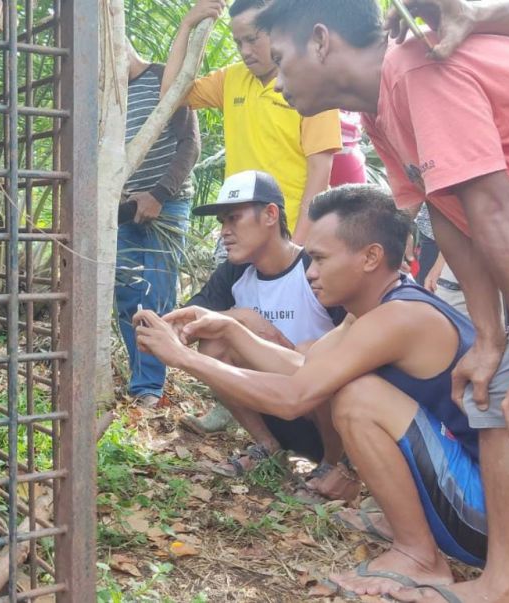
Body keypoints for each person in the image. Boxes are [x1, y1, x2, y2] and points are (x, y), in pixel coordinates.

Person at [254, 2, 509, 600]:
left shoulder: (416, 73)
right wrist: (491, 336)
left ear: (321, 42)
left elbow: (493, 204)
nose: (276, 79)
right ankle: (499, 580)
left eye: (281, 59)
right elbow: (454, 219)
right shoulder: (379, 114)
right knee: (495, 390)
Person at [135, 186, 486, 598]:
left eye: (320, 258)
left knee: (358, 397)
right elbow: (306, 368)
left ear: (371, 257)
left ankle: (418, 555)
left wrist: (185, 358)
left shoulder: (400, 318)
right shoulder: (375, 310)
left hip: (485, 518)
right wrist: (229, 327)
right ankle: (410, 534)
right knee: (348, 388)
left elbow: (295, 397)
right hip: (471, 503)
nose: (310, 271)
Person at [163, 0, 342, 431]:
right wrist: (188, 24)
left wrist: (301, 241)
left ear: (277, 34)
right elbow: (172, 93)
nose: (244, 49)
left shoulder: (307, 85)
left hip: (293, 234)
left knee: (307, 340)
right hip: (245, 228)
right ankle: (249, 415)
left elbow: (321, 166)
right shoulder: (231, 81)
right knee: (226, 319)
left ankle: (330, 444)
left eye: (253, 38)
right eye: (237, 40)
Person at [180, 170, 355, 502]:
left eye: (233, 219)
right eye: (222, 222)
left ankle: (334, 466)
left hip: (327, 421)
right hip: (273, 412)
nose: (224, 232)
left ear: (271, 215)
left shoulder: (313, 269)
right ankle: (267, 445)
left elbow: (357, 343)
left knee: (314, 354)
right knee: (214, 340)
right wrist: (242, 318)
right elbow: (185, 324)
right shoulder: (235, 272)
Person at [115, 39, 200, 408]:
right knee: (124, 294)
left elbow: (190, 145)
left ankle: (148, 388)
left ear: (122, 46)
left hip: (167, 206)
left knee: (155, 295)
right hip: (126, 209)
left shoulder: (163, 77)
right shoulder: (110, 98)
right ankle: (143, 379)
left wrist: (159, 195)